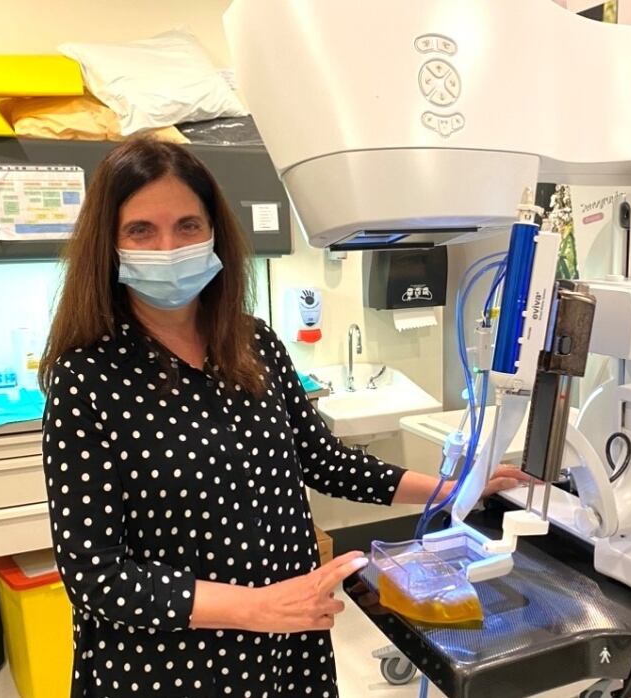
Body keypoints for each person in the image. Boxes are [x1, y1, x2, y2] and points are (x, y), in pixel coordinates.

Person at [40, 138, 524, 698]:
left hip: (286, 645)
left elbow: (323, 461)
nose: (169, 246)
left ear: (215, 232)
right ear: (110, 244)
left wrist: (453, 487)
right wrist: (260, 606)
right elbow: (95, 575)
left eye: (188, 225)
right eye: (141, 230)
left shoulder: (252, 344)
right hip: (171, 663)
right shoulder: (88, 378)